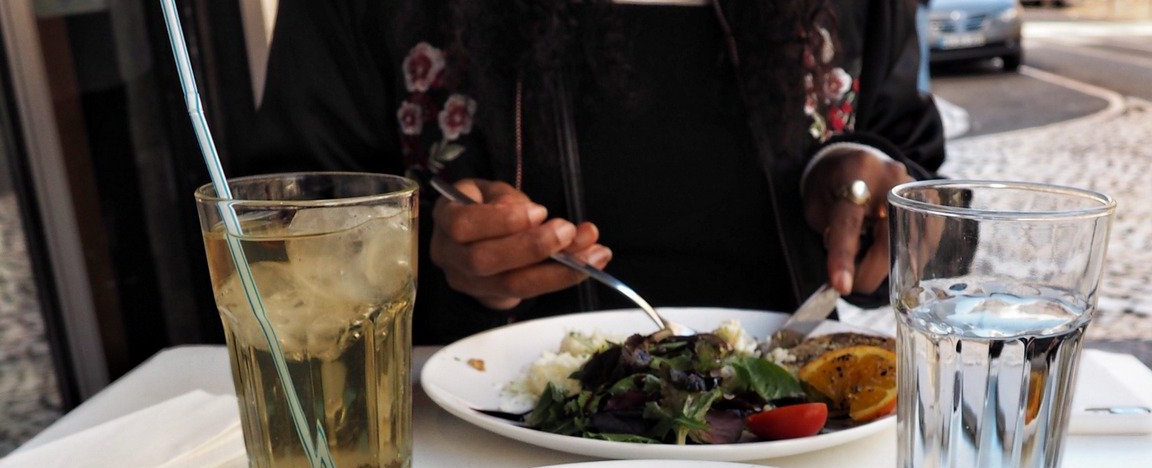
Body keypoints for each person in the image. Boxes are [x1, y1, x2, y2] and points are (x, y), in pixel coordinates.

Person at [245, 0, 943, 344]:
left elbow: (905, 144)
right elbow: (288, 214)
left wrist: (869, 182)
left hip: (798, 442)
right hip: (468, 447)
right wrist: (425, 246)